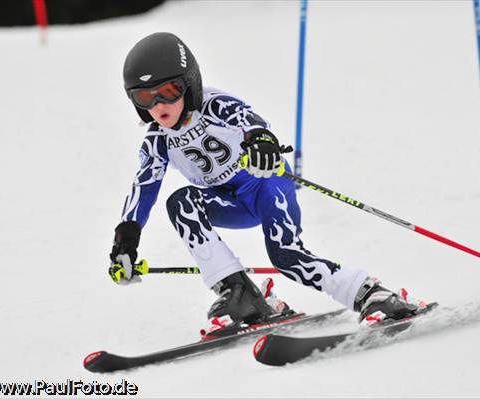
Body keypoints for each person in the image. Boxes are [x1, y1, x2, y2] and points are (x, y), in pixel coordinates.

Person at [109, 32, 422, 326]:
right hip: (229, 202)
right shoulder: (157, 140)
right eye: (144, 97)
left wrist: (261, 141)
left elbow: (249, 120)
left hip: (265, 185)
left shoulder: (213, 104)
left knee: (286, 256)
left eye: (167, 92)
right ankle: (237, 291)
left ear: (189, 85)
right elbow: (144, 187)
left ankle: (367, 293)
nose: (158, 105)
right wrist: (127, 238)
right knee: (181, 203)